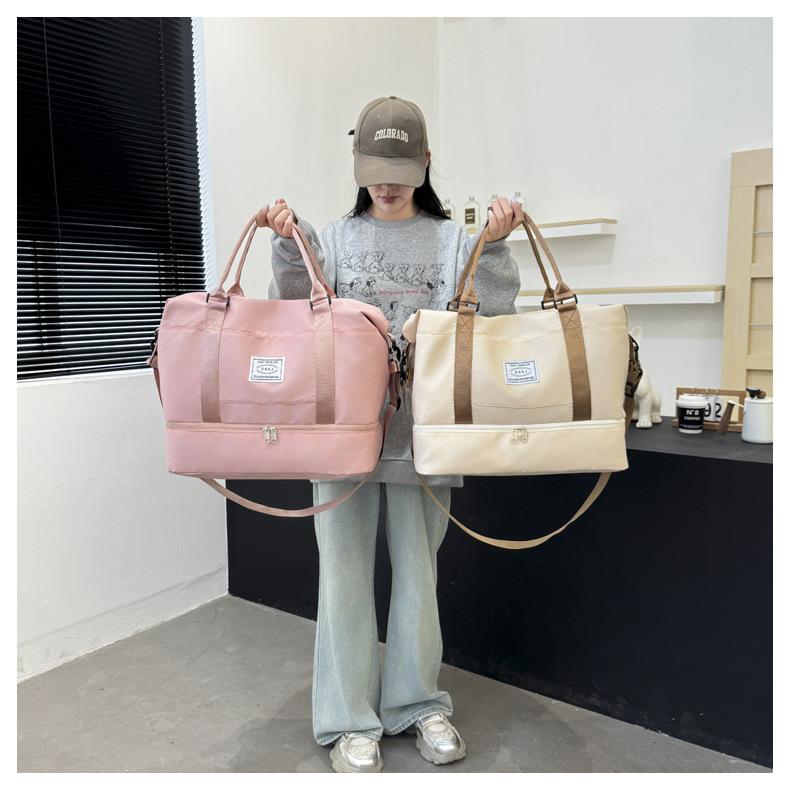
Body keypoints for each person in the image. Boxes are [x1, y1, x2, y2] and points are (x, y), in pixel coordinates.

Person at [267, 95, 524, 773]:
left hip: (426, 433)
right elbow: (297, 311)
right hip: (344, 434)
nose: (386, 185)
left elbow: (494, 317)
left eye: (400, 171)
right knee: (343, 579)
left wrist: (495, 247)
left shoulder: (453, 242)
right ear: (357, 164)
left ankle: (418, 704)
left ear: (426, 162)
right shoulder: (335, 238)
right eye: (375, 171)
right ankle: (350, 720)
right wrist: (288, 243)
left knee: (417, 575)